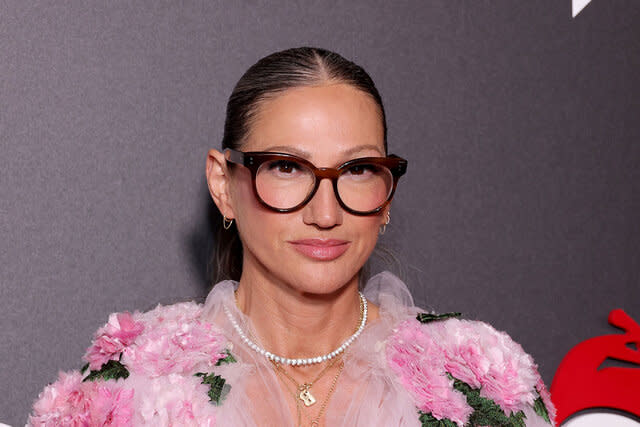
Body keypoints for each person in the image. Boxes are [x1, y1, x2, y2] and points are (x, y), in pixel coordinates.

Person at [28, 47, 556, 427]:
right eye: (286, 168)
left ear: (386, 195)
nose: (325, 213)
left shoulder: (483, 383)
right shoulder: (128, 388)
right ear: (223, 185)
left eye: (358, 171)